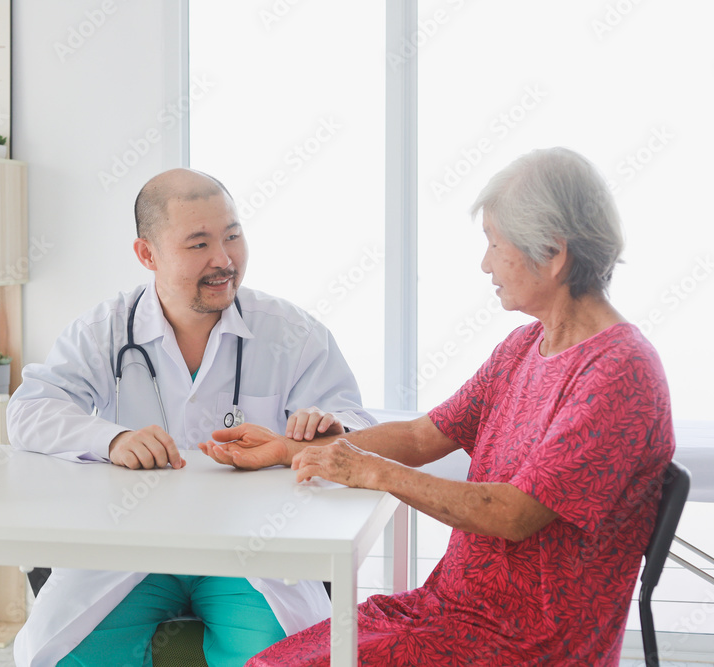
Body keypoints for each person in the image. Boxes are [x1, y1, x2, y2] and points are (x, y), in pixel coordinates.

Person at [200, 147, 675, 666]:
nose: (485, 263)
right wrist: (287, 449)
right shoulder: (523, 348)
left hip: (527, 644)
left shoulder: (619, 371)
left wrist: (374, 472)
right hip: (452, 610)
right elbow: (421, 437)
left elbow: (514, 514)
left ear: (554, 253)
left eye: (495, 243)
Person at [7, 168, 374, 667]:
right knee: (65, 654)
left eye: (233, 236)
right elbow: (30, 409)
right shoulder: (104, 330)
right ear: (147, 254)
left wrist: (330, 428)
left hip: (251, 553)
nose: (223, 260)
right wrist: (111, 439)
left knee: (284, 658)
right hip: (129, 549)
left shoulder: (292, 332)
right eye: (199, 244)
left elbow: (357, 424)